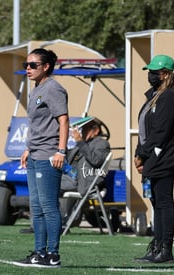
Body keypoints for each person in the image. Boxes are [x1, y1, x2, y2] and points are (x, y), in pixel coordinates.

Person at [14, 48, 69, 268]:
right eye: (26, 65)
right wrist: (28, 148)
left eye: (32, 65)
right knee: (35, 207)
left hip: (49, 155)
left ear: (46, 67)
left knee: (48, 206)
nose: (27, 69)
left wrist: (61, 151)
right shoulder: (36, 89)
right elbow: (37, 125)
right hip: (35, 153)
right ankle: (39, 252)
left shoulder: (53, 89)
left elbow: (63, 121)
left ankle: (53, 254)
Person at [133, 55, 174, 264]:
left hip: (163, 156)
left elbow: (160, 131)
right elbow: (145, 129)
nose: (150, 75)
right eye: (149, 71)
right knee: (156, 202)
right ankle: (157, 247)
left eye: (154, 71)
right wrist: (139, 152)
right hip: (153, 156)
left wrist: (143, 154)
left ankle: (166, 250)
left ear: (165, 74)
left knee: (164, 201)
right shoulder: (154, 95)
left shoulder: (169, 96)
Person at [59, 117, 111, 225]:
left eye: (86, 129)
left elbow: (95, 160)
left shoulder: (101, 143)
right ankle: (56, 221)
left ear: (95, 130)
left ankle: (56, 223)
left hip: (82, 181)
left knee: (49, 184)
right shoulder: (83, 144)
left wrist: (80, 141)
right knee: (46, 181)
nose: (82, 133)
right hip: (72, 177)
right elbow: (68, 158)